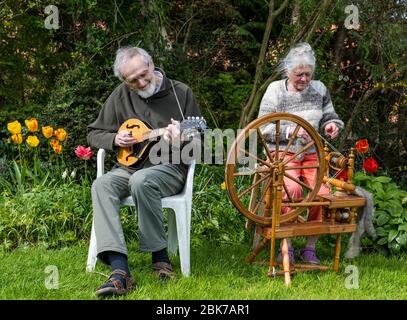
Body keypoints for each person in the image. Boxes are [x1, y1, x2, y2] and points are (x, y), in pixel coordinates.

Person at [87, 46, 202, 298]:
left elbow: (198, 143)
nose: (141, 82)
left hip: (169, 170)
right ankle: (120, 271)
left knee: (143, 180)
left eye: (144, 74)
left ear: (151, 64)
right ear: (125, 82)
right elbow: (94, 133)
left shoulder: (180, 92)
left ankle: (160, 258)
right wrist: (115, 139)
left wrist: (180, 140)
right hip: (128, 167)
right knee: (101, 185)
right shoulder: (120, 96)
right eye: (133, 80)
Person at [258, 42, 344, 265]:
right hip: (282, 154)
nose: (304, 79)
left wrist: (331, 125)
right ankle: (286, 244)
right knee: (292, 189)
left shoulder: (320, 89)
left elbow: (329, 116)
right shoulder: (275, 91)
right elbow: (263, 128)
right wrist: (290, 131)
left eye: (308, 74)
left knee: (321, 194)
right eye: (299, 74)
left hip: (311, 154)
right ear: (288, 71)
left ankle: (309, 248)